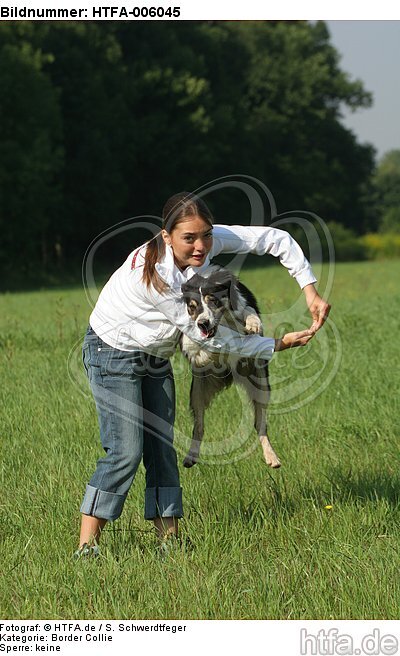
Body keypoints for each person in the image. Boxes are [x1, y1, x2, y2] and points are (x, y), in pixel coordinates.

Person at [75, 192, 330, 558]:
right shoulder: (156, 279)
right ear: (166, 236)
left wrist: (310, 291)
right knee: (126, 451)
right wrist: (277, 345)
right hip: (112, 351)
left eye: (206, 235)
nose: (200, 246)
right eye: (189, 238)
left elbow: (277, 240)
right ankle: (87, 548)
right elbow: (209, 336)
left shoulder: (206, 241)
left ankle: (170, 543)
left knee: (162, 448)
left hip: (155, 355)